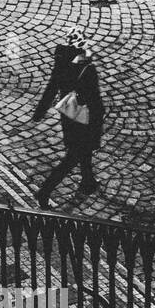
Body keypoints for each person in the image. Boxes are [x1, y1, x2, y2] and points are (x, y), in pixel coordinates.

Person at [31, 29, 104, 207]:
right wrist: (98, 121)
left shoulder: (61, 64)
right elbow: (94, 99)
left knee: (81, 151)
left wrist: (39, 112)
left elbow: (51, 89)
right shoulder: (88, 68)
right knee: (74, 156)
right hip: (85, 117)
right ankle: (45, 191)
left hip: (69, 113)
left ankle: (88, 181)